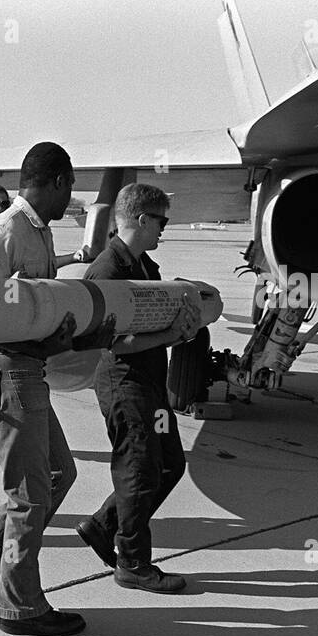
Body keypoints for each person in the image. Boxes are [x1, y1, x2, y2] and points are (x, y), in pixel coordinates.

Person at [0, 142, 91, 636]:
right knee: (29, 494)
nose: (69, 198)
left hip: (25, 368)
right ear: (57, 182)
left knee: (58, 472)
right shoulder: (5, 231)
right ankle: (21, 604)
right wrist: (38, 338)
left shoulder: (36, 232)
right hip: (4, 371)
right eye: (69, 187)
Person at [75, 182, 201, 593]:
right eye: (161, 221)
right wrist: (170, 336)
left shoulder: (145, 266)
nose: (165, 228)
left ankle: (104, 525)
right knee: (139, 471)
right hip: (124, 384)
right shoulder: (108, 271)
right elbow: (113, 342)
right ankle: (132, 562)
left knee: (169, 465)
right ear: (142, 219)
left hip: (148, 383)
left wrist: (178, 330)